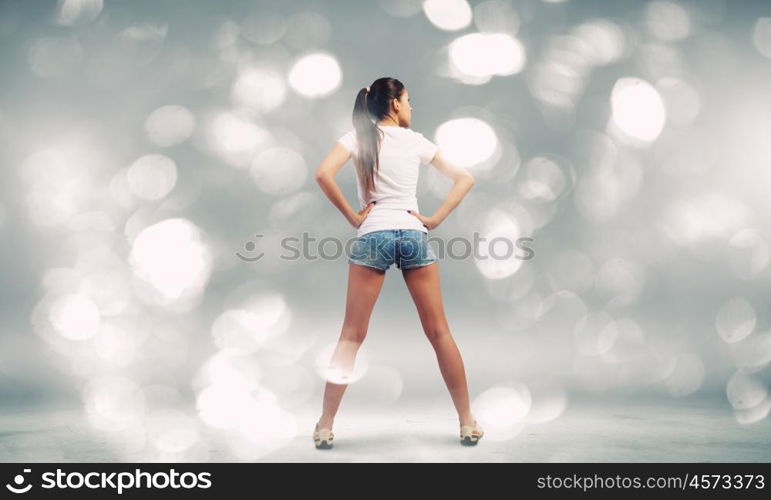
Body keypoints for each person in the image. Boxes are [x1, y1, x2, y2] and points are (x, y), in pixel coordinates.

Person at [313, 77, 483, 448]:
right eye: (408, 100)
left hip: (372, 233)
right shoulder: (417, 141)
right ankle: (467, 422)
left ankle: (325, 426)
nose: (411, 107)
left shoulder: (358, 137)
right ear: (394, 104)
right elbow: (464, 178)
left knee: (351, 336)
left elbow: (323, 174)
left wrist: (353, 217)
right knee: (439, 333)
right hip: (411, 233)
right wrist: (434, 218)